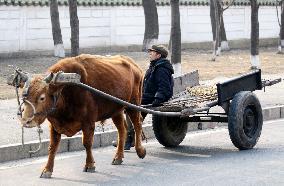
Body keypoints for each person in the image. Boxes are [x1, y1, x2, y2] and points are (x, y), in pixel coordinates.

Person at [113, 44, 174, 150]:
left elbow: (164, 87)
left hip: (152, 98)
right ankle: (130, 139)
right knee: (130, 108)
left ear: (158, 55)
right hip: (147, 96)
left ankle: (127, 140)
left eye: (152, 52)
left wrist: (157, 99)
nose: (149, 53)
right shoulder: (155, 65)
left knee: (131, 109)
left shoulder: (161, 68)